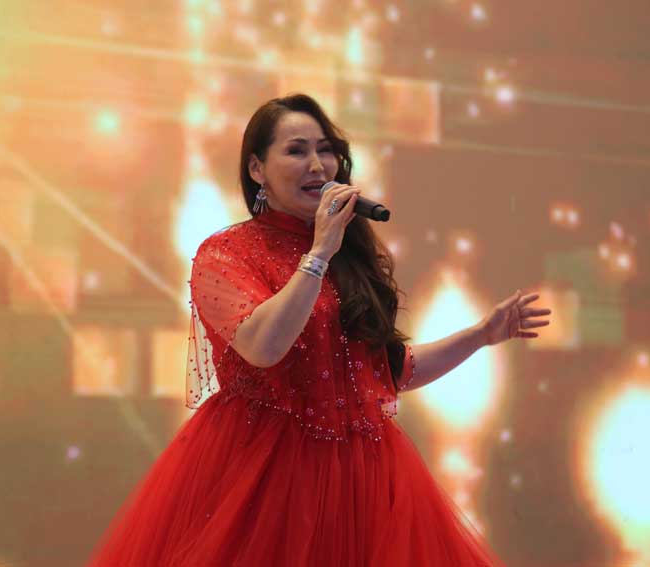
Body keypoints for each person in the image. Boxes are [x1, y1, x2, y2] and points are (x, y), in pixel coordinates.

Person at [86, 93, 551, 566]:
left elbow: (386, 373)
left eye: (325, 150)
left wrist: (480, 335)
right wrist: (319, 253)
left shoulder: (350, 256)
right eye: (296, 150)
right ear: (256, 169)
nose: (317, 165)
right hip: (266, 473)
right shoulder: (227, 253)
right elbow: (263, 346)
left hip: (366, 476)